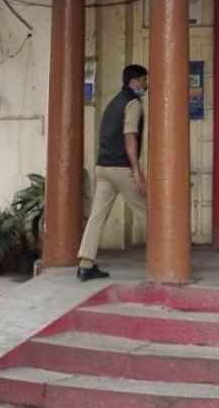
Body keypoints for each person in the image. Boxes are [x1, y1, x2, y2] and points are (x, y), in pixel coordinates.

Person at [76, 64, 149, 281]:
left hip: (103, 167)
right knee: (148, 212)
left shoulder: (114, 103)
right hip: (121, 169)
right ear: (133, 82)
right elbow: (130, 136)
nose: (146, 84)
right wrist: (137, 172)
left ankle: (85, 265)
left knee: (96, 217)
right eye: (144, 80)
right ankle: (163, 259)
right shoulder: (133, 103)